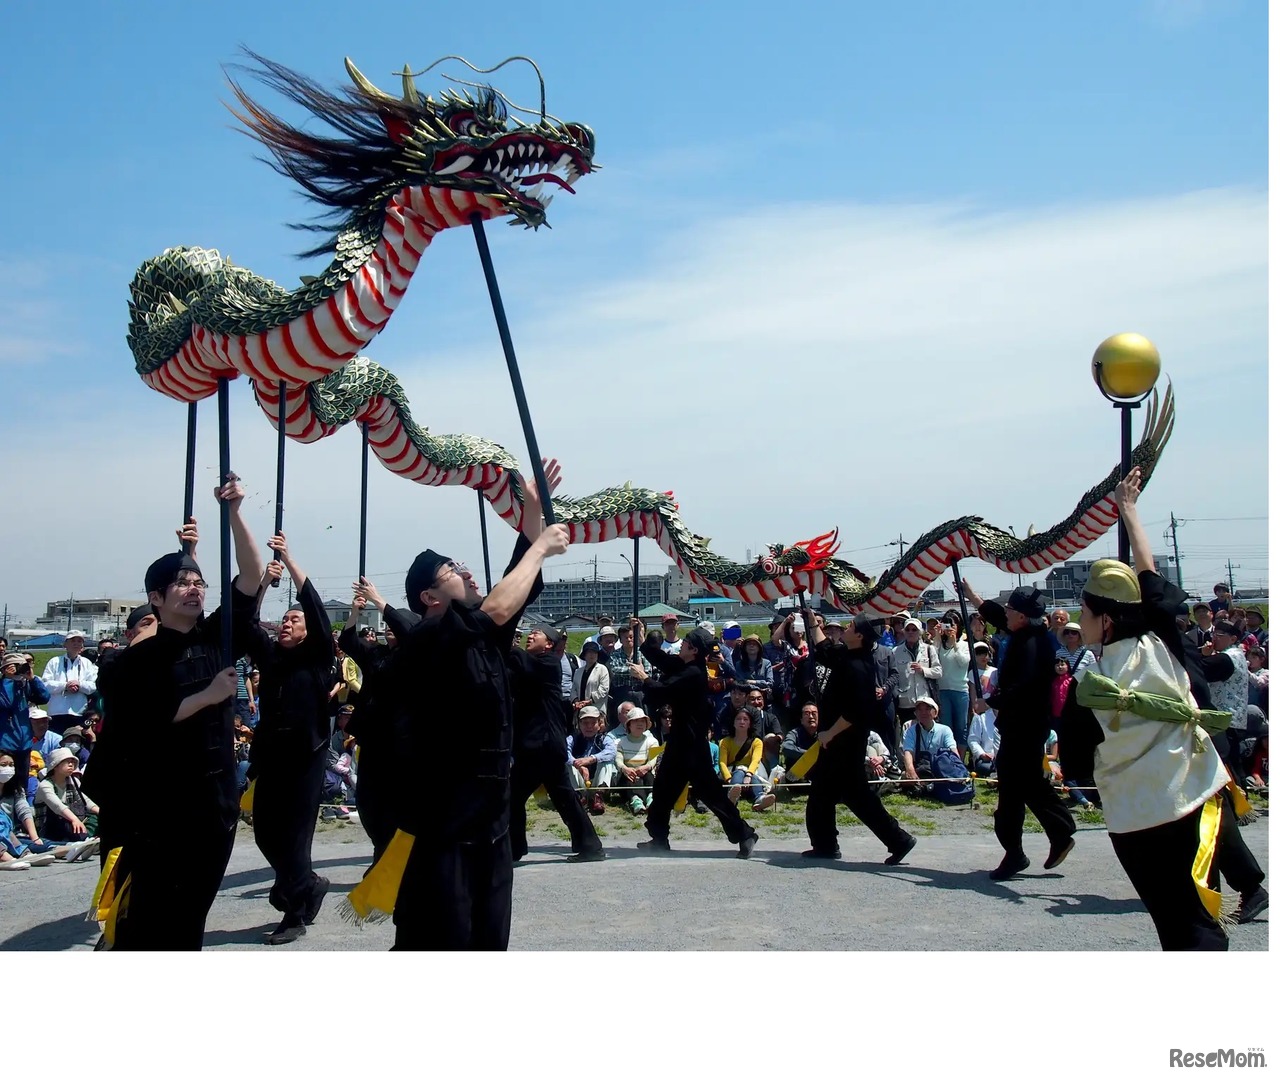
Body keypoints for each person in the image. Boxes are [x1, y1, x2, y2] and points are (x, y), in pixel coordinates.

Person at [358, 461, 569, 951]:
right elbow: (499, 604)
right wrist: (539, 546)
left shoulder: (485, 638)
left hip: (490, 819)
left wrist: (532, 508)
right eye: (452, 571)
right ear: (429, 596)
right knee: (441, 938)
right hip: (444, 821)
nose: (467, 573)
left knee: (490, 937)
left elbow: (515, 583)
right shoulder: (432, 636)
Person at [87, 478, 264, 950]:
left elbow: (250, 577)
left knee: (190, 920)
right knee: (151, 919)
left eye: (197, 582)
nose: (192, 589)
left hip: (215, 805)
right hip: (160, 811)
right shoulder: (134, 663)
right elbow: (144, 722)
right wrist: (208, 696)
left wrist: (235, 513)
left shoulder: (216, 637)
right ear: (156, 600)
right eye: (180, 584)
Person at [242, 533, 336, 946]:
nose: (287, 623)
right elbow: (246, 624)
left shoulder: (318, 657)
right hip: (271, 756)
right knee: (265, 832)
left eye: (293, 621)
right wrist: (265, 581)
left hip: (306, 757)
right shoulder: (272, 657)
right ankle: (308, 884)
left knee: (295, 838)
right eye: (284, 620)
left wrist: (291, 561)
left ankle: (295, 910)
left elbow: (315, 608)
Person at [962, 580, 1076, 880]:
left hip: (1025, 726)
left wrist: (990, 700)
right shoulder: (1025, 631)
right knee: (1026, 786)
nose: (1006, 614)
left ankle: (1020, 851)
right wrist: (973, 596)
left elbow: (1022, 686)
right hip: (1019, 726)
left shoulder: (1033, 645)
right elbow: (999, 616)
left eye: (1011, 609)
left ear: (1023, 616)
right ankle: (1058, 832)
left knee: (1014, 790)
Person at [798, 611, 916, 863]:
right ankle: (826, 844)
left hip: (846, 740)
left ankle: (898, 839)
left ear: (859, 635)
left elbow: (856, 711)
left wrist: (830, 732)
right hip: (836, 740)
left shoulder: (860, 667)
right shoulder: (847, 654)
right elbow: (825, 648)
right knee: (825, 791)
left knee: (853, 795)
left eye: (850, 626)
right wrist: (811, 621)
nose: (845, 628)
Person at [631, 626, 759, 857]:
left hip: (692, 745)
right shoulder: (686, 666)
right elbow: (663, 660)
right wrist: (641, 637)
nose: (681, 644)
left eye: (686, 642)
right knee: (663, 790)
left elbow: (663, 690)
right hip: (680, 741)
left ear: (694, 650)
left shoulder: (694, 674)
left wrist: (644, 677)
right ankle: (658, 838)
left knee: (710, 793)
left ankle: (745, 833)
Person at [508, 626, 604, 861]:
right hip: (541, 744)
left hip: (543, 743)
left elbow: (517, 658)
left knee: (512, 796)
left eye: (536, 634)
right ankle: (590, 846)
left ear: (549, 644)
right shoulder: (530, 664)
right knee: (563, 797)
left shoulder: (548, 663)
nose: (530, 636)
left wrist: (503, 637)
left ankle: (513, 849)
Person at [0, 650, 50, 800]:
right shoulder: (3, 686)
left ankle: (22, 817)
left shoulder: (25, 685)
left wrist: (32, 679)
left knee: (21, 786)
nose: (19, 669)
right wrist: (9, 679)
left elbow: (44, 697)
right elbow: (7, 703)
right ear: (5, 668)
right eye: (15, 666)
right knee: (5, 784)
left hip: (24, 743)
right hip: (5, 744)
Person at [34, 746, 100, 846]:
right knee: (64, 820)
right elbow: (58, 807)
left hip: (73, 820)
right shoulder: (45, 785)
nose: (71, 764)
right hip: (51, 825)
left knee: (95, 817)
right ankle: (83, 841)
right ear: (55, 766)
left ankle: (87, 840)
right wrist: (74, 819)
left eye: (72, 762)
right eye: (67, 762)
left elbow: (86, 801)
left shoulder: (74, 781)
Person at [718, 706, 774, 812]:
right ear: (733, 723)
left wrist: (748, 775)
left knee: (751, 776)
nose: (742, 722)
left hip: (752, 773)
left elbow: (755, 760)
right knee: (739, 771)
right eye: (738, 719)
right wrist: (729, 779)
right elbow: (722, 763)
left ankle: (760, 799)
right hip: (732, 773)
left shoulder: (757, 742)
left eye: (745, 719)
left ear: (750, 724)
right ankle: (732, 795)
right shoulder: (724, 742)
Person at [40, 632, 97, 737]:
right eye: (72, 641)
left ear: (82, 645)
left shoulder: (87, 663)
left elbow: (92, 686)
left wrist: (79, 685)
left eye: (79, 641)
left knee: (77, 743)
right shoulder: (54, 661)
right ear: (65, 644)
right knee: (57, 741)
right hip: (57, 712)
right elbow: (46, 685)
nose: (76, 643)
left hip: (79, 712)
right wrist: (65, 685)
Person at [900, 696, 957, 793]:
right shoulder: (911, 731)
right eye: (920, 710)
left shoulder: (945, 730)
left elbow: (953, 751)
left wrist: (958, 767)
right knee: (905, 776)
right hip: (920, 768)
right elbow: (908, 752)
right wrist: (910, 770)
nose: (923, 713)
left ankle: (926, 787)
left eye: (927, 709)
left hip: (940, 768)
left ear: (935, 713)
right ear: (916, 713)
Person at [566, 706, 616, 813]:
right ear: (579, 724)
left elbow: (612, 752)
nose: (589, 726)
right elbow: (564, 753)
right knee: (567, 763)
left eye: (593, 723)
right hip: (579, 782)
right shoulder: (572, 738)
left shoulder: (605, 738)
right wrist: (578, 764)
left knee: (607, 760)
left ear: (599, 724)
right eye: (585, 723)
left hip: (596, 780)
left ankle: (598, 797)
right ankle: (578, 797)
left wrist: (591, 759)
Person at [935, 617, 971, 752]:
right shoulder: (940, 644)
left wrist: (954, 643)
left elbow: (963, 662)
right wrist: (938, 636)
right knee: (946, 726)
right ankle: (948, 758)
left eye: (952, 625)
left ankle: (960, 760)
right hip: (943, 690)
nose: (949, 628)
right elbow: (932, 657)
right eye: (946, 625)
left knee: (961, 726)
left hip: (960, 690)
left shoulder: (965, 644)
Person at [614, 710, 659, 816]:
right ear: (629, 725)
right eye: (636, 721)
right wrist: (625, 769)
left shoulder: (652, 741)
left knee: (649, 777)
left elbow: (653, 759)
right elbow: (618, 760)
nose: (640, 724)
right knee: (629, 778)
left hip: (646, 774)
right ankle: (636, 801)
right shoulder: (619, 742)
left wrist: (646, 767)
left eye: (643, 721)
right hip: (627, 776)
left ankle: (651, 800)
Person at [571, 641, 610, 717]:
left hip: (596, 709)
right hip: (580, 709)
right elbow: (573, 689)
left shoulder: (602, 669)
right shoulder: (578, 671)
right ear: (584, 655)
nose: (592, 655)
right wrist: (576, 701)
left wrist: (589, 701)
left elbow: (604, 690)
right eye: (589, 652)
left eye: (594, 652)